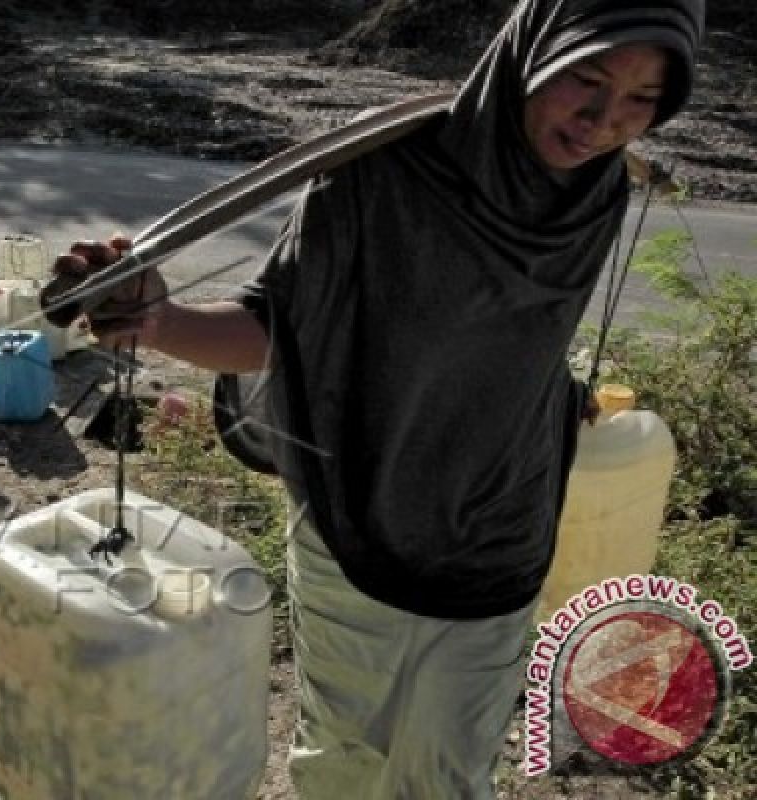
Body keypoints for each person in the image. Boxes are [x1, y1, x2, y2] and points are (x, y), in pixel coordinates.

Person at [55, 1, 703, 797]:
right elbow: (277, 330)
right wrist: (156, 320)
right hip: (360, 521)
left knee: (449, 776)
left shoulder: (595, 192)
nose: (604, 121)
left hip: (502, 530)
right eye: (587, 79)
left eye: (642, 100)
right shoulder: (386, 170)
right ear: (535, 50)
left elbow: (511, 336)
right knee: (345, 763)